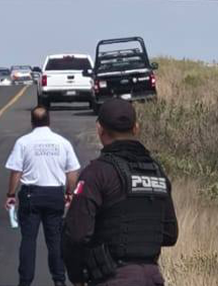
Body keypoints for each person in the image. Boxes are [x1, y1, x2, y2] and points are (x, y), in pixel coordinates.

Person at [64, 99, 177, 286]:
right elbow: (170, 235)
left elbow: (76, 234)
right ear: (136, 128)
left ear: (99, 129)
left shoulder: (97, 173)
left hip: (113, 277)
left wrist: (77, 277)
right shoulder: (157, 171)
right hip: (152, 276)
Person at [4, 106, 81, 286]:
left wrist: (10, 195)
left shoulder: (23, 142)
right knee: (55, 241)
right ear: (49, 121)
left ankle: (25, 281)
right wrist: (69, 192)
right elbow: (73, 171)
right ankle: (59, 280)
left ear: (32, 122)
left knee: (28, 240)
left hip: (32, 194)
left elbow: (16, 171)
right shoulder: (62, 143)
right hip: (55, 194)